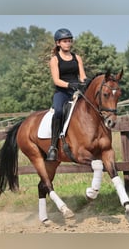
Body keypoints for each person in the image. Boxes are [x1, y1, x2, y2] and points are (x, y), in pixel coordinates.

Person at [46, 28, 87, 161]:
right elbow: (56, 80)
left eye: (69, 41)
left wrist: (85, 82)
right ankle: (53, 146)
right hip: (62, 92)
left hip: (77, 91)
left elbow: (82, 76)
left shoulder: (77, 58)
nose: (68, 43)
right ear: (58, 43)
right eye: (65, 41)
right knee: (58, 111)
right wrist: (70, 85)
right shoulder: (54, 60)